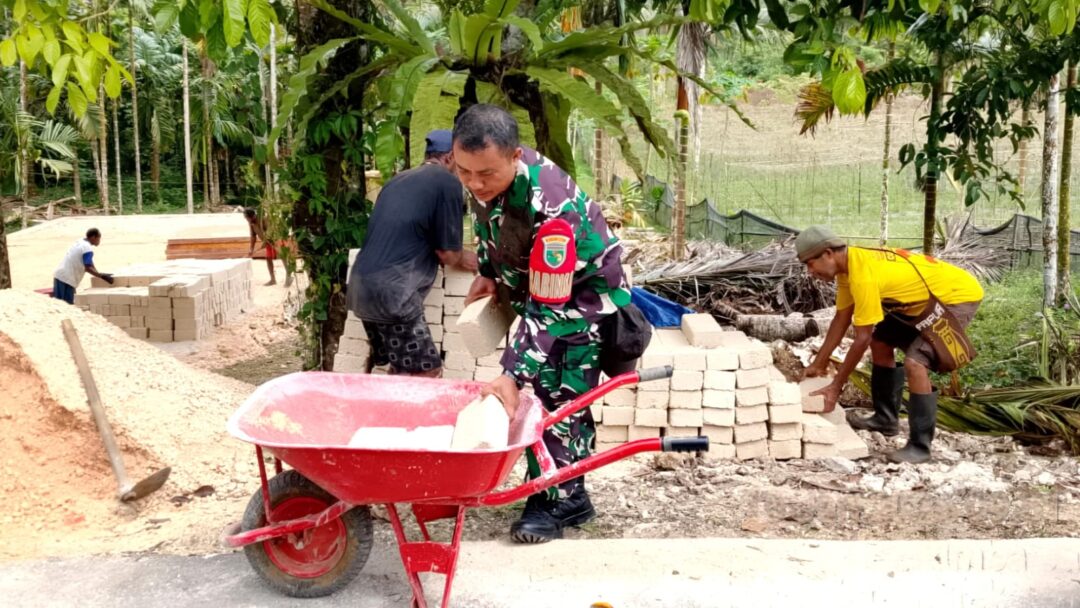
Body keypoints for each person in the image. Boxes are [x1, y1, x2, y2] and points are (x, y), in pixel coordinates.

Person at [453, 104, 633, 543]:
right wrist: (490, 274)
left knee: (557, 393)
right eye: (464, 171)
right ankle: (564, 489)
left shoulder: (553, 210)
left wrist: (512, 373)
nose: (475, 184)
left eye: (486, 174)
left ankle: (560, 499)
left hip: (579, 301)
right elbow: (493, 225)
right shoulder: (489, 179)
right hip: (540, 292)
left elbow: (553, 310)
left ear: (515, 156)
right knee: (546, 389)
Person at [797, 226, 984, 464]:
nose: (809, 271)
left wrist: (836, 387)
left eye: (810, 263)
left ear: (828, 254)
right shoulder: (848, 268)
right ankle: (885, 419)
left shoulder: (864, 275)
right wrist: (818, 363)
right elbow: (841, 318)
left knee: (915, 363)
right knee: (881, 342)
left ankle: (920, 446)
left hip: (956, 297)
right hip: (918, 303)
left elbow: (860, 338)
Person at [347, 129, 478, 378]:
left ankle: (390, 416)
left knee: (400, 371)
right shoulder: (447, 182)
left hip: (360, 290)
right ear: (450, 157)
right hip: (394, 295)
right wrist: (471, 260)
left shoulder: (397, 180)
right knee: (426, 372)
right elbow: (448, 254)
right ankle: (414, 419)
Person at [52, 228, 113, 303]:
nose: (99, 241)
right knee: (66, 304)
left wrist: (98, 273)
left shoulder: (81, 241)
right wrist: (101, 276)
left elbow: (89, 263)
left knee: (60, 303)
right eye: (99, 238)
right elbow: (87, 267)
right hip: (67, 278)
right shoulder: (87, 249)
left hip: (60, 274)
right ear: (93, 237)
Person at [245, 208, 279, 286]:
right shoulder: (251, 223)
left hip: (275, 240)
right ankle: (273, 279)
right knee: (268, 259)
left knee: (282, 256)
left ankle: (289, 274)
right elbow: (253, 237)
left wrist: (266, 241)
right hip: (267, 243)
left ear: (253, 216)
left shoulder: (263, 219)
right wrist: (251, 249)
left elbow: (269, 230)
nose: (247, 220)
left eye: (247, 218)